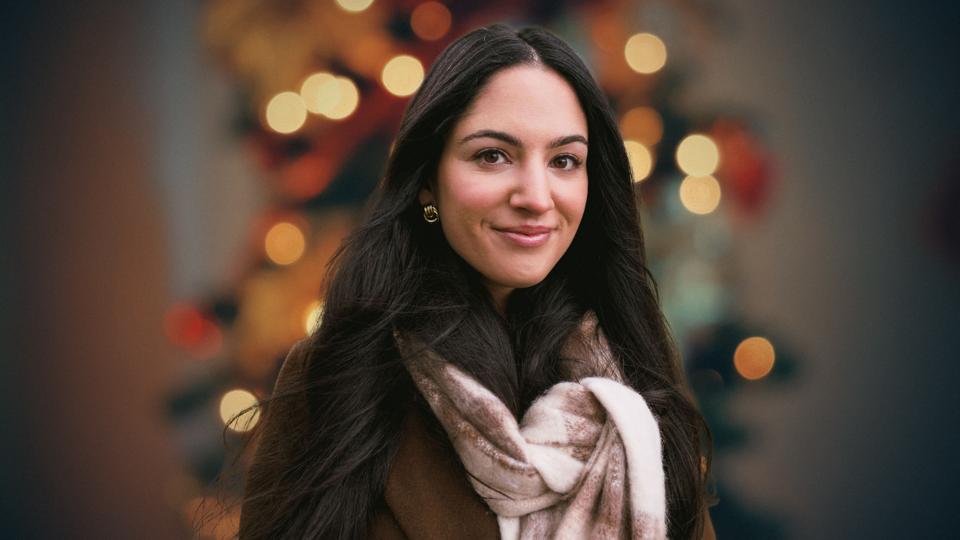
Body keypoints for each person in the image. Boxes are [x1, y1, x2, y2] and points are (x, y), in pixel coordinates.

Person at [238, 24, 716, 539]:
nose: (536, 195)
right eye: (493, 155)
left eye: (564, 161)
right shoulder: (338, 374)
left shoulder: (634, 371)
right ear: (427, 180)